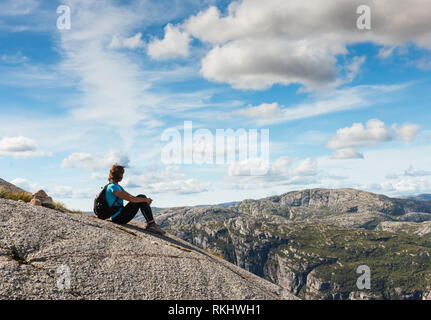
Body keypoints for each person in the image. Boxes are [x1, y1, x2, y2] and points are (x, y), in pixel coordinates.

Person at [105, 163, 165, 235]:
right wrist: (145, 200)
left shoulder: (116, 186)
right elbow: (131, 199)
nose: (122, 176)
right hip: (118, 218)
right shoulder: (113, 187)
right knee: (141, 197)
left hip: (120, 215)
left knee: (141, 197)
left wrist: (144, 200)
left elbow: (132, 197)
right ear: (118, 175)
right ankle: (151, 225)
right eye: (121, 174)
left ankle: (152, 224)